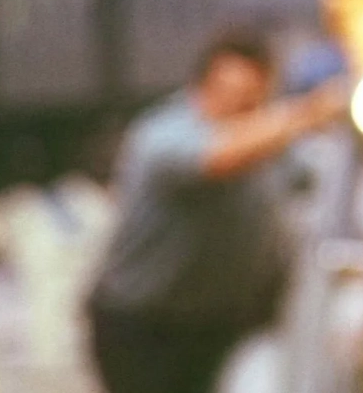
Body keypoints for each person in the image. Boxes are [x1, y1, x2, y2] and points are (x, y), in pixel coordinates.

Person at [87, 28, 345, 393]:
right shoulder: (161, 136)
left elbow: (318, 178)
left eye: (252, 101)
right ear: (203, 87)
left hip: (220, 323)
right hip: (145, 325)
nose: (242, 112)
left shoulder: (271, 143)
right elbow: (217, 157)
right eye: (233, 97)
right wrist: (307, 113)